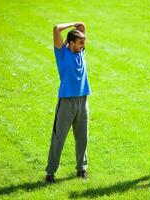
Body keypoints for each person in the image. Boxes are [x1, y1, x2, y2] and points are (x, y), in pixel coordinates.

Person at [45, 22, 91, 183]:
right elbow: (56, 28)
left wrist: (79, 25)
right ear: (71, 43)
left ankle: (82, 169)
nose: (83, 46)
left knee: (83, 137)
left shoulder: (81, 52)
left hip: (83, 99)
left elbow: (82, 26)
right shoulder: (62, 54)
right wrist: (72, 24)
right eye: (80, 43)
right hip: (66, 102)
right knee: (59, 138)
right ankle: (50, 173)